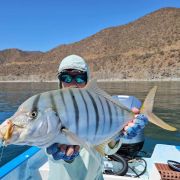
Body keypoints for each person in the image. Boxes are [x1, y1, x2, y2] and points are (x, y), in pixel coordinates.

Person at [46, 55, 147, 180]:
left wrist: (116, 136)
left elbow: (107, 151)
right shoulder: (50, 111)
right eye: (66, 77)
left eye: (79, 78)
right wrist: (59, 155)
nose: (73, 83)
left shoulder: (100, 108)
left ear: (87, 80)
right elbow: (48, 149)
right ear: (60, 82)